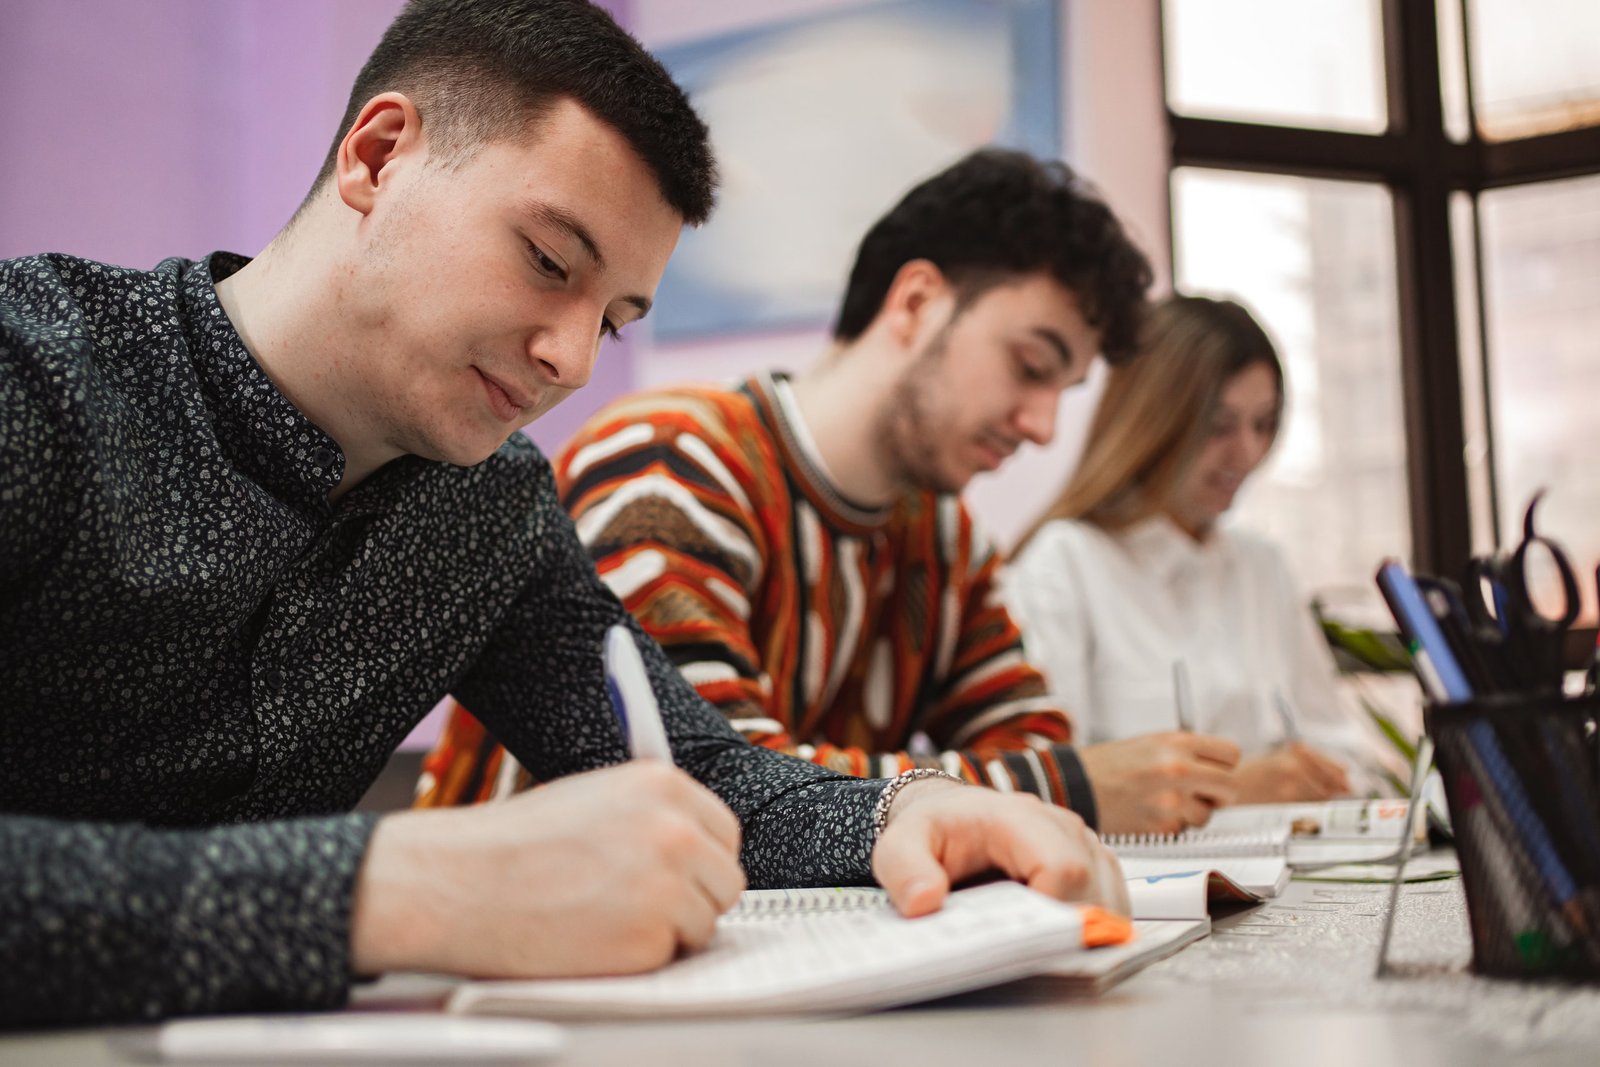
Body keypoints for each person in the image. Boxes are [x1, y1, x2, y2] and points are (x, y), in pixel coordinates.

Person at [0, 0, 1127, 1030]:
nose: (572, 359)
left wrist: (897, 813)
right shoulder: (37, 377)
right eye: (548, 260)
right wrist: (391, 886)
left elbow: (699, 771)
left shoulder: (486, 508)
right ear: (379, 155)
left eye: (619, 317)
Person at [419, 150, 1244, 837]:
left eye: (1064, 389)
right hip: (512, 976)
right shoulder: (674, 462)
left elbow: (1027, 737)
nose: (1041, 426)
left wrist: (1052, 777)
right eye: (1032, 366)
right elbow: (719, 779)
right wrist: (1070, 787)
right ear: (917, 302)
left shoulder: (946, 537)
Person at [1004, 295, 1376, 803]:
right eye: (1219, 427)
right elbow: (1050, 789)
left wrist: (1319, 777)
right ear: (1153, 423)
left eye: (1263, 424)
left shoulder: (1262, 567)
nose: (1246, 452)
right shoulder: (1064, 564)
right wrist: (1236, 788)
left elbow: (1345, 758)